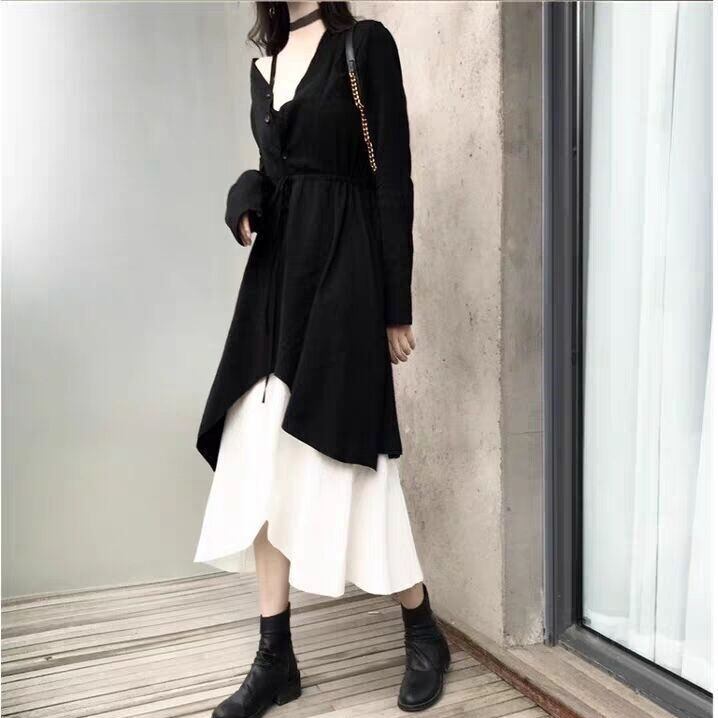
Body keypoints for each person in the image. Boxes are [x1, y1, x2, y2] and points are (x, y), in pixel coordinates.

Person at [194, 3, 450, 716]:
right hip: (277, 283)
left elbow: (393, 179)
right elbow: (275, 175)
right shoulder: (265, 65)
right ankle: (275, 657)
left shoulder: (364, 46)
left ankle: (422, 628)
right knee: (256, 459)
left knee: (354, 463)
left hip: (344, 273)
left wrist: (395, 304)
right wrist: (246, 196)